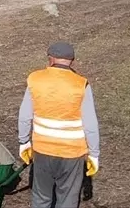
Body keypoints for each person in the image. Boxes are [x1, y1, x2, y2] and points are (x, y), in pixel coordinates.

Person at [17, 42, 100, 208]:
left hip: (42, 151)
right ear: (72, 61)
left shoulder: (35, 79)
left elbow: (25, 115)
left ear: (50, 59)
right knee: (68, 199)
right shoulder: (81, 84)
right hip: (72, 154)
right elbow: (90, 124)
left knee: (41, 198)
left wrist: (24, 141)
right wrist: (94, 154)